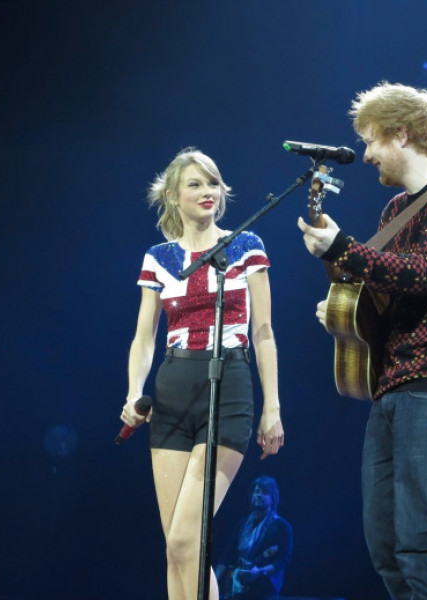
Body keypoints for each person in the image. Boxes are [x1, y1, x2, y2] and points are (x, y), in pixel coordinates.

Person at [296, 81, 427, 600]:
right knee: (385, 543)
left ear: (402, 134)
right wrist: (342, 301)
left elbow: (423, 273)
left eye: (371, 141)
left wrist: (343, 247)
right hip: (391, 385)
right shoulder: (392, 214)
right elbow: (383, 291)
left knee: (423, 540)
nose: (365, 156)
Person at [120, 148, 285, 600]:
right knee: (176, 550)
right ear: (174, 195)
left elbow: (264, 331)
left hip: (228, 384)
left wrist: (273, 407)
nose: (208, 192)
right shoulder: (158, 258)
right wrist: (133, 392)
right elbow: (144, 337)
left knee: (185, 538)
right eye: (195, 184)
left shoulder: (246, 246)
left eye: (213, 183)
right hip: (172, 391)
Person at [214, 475, 293, 600]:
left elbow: (283, 560)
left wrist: (260, 571)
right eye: (256, 492)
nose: (258, 495)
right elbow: (227, 554)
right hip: (238, 586)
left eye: (264, 492)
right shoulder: (242, 524)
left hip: (265, 589)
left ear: (273, 497)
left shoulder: (281, 526)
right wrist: (213, 581)